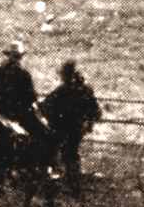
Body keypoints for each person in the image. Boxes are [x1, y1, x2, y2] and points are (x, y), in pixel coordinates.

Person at [39, 59, 102, 197]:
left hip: (62, 129)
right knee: (72, 156)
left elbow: (45, 106)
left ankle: (58, 185)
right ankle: (74, 187)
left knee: (56, 153)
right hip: (77, 129)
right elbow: (96, 112)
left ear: (66, 75)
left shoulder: (63, 90)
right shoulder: (86, 89)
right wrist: (88, 123)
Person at [0, 39, 48, 139]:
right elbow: (31, 98)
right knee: (43, 133)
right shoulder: (24, 74)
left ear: (9, 56)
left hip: (1, 111)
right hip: (20, 114)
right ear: (21, 57)